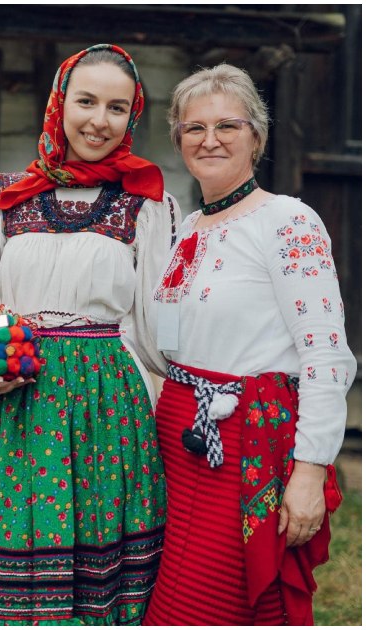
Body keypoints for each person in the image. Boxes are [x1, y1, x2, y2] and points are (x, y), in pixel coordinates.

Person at [0, 44, 178, 625]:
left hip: (109, 399)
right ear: (59, 103)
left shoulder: (146, 204)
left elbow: (159, 325)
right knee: (29, 537)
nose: (99, 120)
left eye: (117, 107)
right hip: (27, 395)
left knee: (102, 532)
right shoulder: (2, 198)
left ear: (132, 116)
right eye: (86, 101)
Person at [142, 64, 353, 625]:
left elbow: (327, 354)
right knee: (169, 596)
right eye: (194, 128)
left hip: (243, 443)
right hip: (179, 437)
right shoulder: (187, 228)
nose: (209, 139)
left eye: (227, 125)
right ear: (178, 139)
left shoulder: (286, 222)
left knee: (213, 604)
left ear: (256, 137)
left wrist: (309, 471)